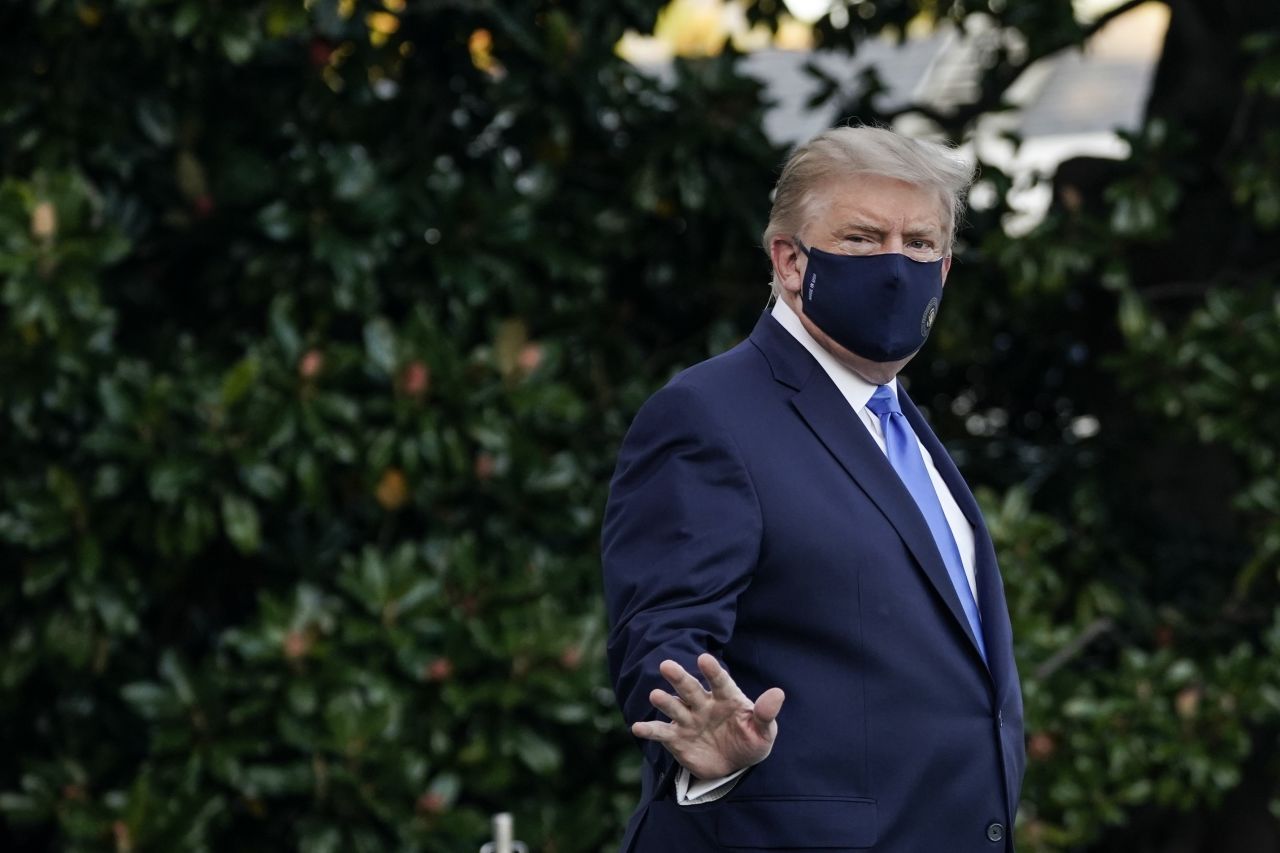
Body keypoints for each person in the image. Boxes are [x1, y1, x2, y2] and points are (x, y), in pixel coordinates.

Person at [601, 125, 1025, 852]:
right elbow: (663, 639)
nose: (897, 266)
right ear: (791, 261)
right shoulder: (709, 414)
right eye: (862, 239)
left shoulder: (900, 424)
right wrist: (705, 742)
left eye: (920, 244)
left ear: (946, 269)